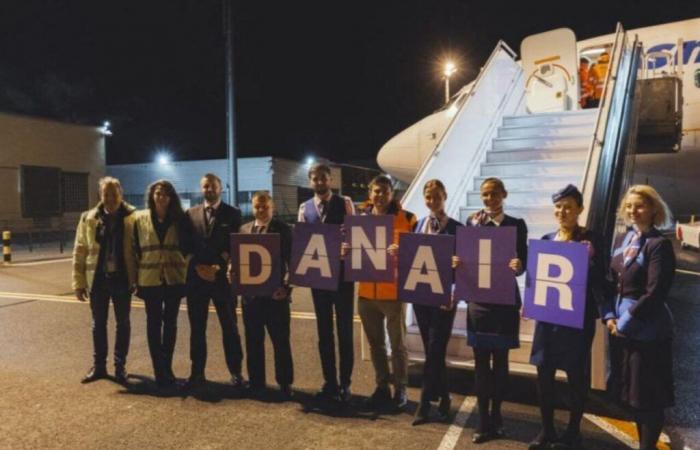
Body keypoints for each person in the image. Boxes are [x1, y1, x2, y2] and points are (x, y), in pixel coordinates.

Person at [528, 184, 611, 450]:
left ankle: (574, 431)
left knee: (576, 376)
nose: (562, 211)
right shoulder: (547, 238)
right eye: (559, 206)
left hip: (577, 321)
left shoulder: (592, 240)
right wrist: (529, 300)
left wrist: (591, 260)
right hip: (547, 320)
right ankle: (547, 429)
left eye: (568, 207)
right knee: (544, 374)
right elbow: (535, 278)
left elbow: (603, 281)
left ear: (579, 210)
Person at [454, 177, 527, 443]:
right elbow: (463, 259)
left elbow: (524, 262)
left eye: (494, 194)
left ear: (503, 195)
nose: (489, 199)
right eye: (485, 194)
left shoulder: (516, 225)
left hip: (505, 302)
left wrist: (518, 265)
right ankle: (483, 420)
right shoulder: (472, 224)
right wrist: (457, 262)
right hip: (480, 303)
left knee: (502, 364)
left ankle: (498, 415)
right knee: (482, 364)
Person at [607, 185, 675, 450]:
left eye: (640, 206)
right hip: (622, 329)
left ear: (654, 210)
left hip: (648, 331)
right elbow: (612, 282)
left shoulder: (659, 245)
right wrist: (609, 315)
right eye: (629, 206)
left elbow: (655, 292)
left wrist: (624, 323)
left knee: (649, 397)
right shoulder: (622, 241)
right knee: (632, 395)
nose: (633, 211)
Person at [297, 162, 356, 403]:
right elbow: (302, 242)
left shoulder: (346, 203)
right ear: (310, 181)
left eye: (324, 178)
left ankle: (346, 383)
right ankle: (329, 381)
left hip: (342, 275)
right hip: (318, 277)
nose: (320, 182)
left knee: (344, 331)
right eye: (315, 179)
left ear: (330, 180)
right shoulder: (305, 208)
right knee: (324, 332)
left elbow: (356, 234)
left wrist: (348, 247)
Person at [357, 175, 416, 411]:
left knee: (398, 344)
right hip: (366, 293)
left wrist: (403, 250)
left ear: (392, 193)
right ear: (369, 193)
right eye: (375, 191)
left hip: (392, 292)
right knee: (376, 345)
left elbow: (418, 253)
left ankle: (400, 388)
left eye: (384, 191)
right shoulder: (360, 220)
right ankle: (382, 386)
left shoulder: (408, 219)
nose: (379, 196)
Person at [180, 173, 245, 390]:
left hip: (222, 281)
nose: (209, 189)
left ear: (220, 189)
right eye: (205, 186)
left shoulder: (233, 213)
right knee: (197, 329)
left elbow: (234, 243)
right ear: (202, 189)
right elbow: (186, 244)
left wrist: (218, 266)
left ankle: (236, 373)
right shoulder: (190, 214)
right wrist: (199, 267)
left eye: (213, 186)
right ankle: (197, 373)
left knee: (230, 328)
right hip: (196, 280)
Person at [72, 176, 136, 385]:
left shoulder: (132, 217)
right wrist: (78, 282)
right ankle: (99, 366)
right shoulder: (88, 218)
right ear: (100, 195)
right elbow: (79, 251)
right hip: (98, 280)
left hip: (121, 278)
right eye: (105, 194)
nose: (110, 198)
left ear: (121, 194)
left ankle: (120, 366)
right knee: (98, 324)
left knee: (123, 323)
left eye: (113, 194)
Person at [232, 191, 294, 399]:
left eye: (264, 207)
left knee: (281, 342)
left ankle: (285, 383)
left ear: (272, 207)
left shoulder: (284, 230)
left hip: (276, 298)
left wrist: (286, 288)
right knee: (253, 342)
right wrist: (232, 272)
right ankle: (256, 382)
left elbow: (293, 263)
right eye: (257, 207)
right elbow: (237, 262)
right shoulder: (244, 230)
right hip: (251, 300)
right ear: (252, 207)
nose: (260, 210)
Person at [411, 179, 463, 426]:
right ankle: (444, 397)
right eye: (428, 197)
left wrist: (454, 293)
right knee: (434, 351)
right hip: (422, 298)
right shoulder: (419, 225)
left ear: (445, 196)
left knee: (434, 348)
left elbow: (464, 268)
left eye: (436, 196)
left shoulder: (457, 228)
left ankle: (424, 403)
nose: (432, 201)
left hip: (445, 299)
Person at [132, 180, 188, 388]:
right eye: (157, 193)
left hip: (174, 279)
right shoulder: (140, 218)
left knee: (171, 324)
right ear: (151, 196)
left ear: (171, 197)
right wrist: (134, 279)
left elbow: (187, 246)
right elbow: (134, 249)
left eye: (165, 193)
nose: (161, 197)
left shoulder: (180, 219)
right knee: (153, 325)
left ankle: (168, 367)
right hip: (150, 280)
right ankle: (159, 370)